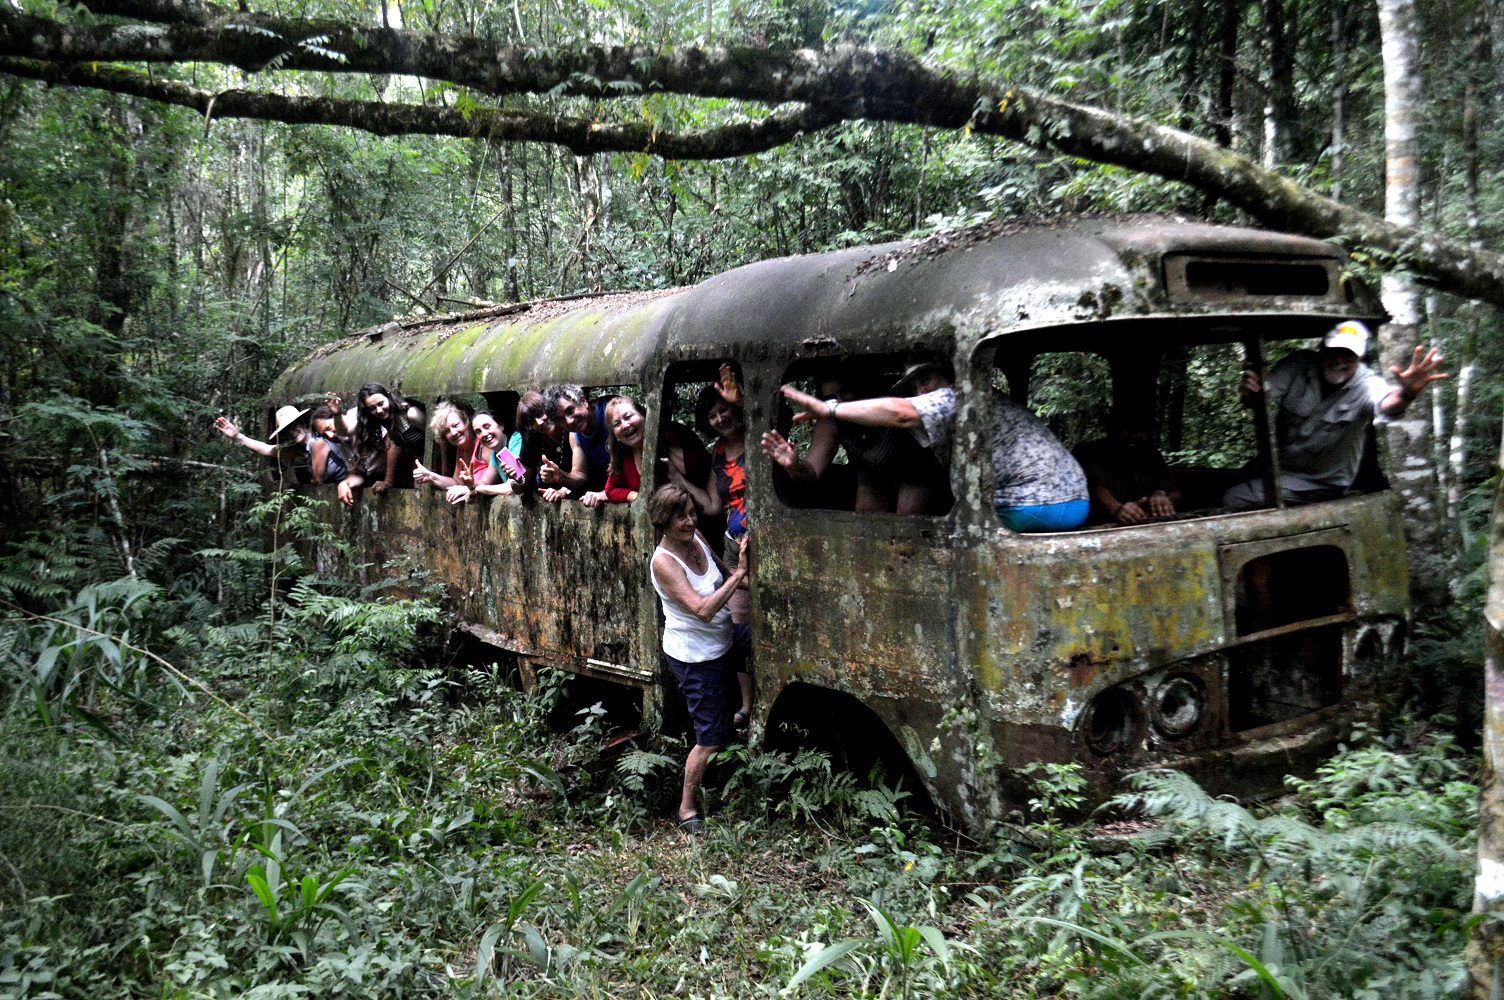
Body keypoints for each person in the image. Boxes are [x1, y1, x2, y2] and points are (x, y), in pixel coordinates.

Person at [779, 356, 1090, 532]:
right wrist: (795, 464)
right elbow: (815, 472)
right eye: (914, 385)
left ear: (948, 375)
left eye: (926, 379)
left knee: (946, 535)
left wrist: (828, 409)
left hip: (1043, 503)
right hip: (1057, 499)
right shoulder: (955, 403)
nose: (920, 389)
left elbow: (901, 414)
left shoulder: (955, 397)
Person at [1222, 321, 1448, 510]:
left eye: (1349, 355)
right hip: (1280, 468)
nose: (1340, 360)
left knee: (1234, 498)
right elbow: (1261, 396)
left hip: (1320, 482)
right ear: (1322, 350)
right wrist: (1251, 392)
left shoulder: (1366, 384)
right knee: (1222, 483)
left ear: (1359, 359)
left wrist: (1407, 393)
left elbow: (1387, 403)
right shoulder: (1297, 366)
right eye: (1334, 351)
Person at [647, 484, 749, 833]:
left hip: (723, 639)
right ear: (663, 521)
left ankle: (745, 710)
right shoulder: (664, 562)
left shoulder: (697, 539)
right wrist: (738, 577)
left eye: (692, 513)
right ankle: (687, 807)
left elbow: (729, 577)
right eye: (680, 516)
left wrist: (747, 570)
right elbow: (703, 609)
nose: (690, 521)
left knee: (761, 648)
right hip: (695, 656)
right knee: (710, 739)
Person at [669, 365, 755, 725]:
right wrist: (678, 480)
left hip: (768, 538)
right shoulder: (719, 452)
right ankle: (749, 704)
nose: (720, 418)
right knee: (738, 624)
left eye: (724, 409)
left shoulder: (757, 437)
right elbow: (712, 505)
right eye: (713, 414)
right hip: (735, 541)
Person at [1074, 412, 1180, 525]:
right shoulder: (1089, 452)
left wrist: (1161, 496)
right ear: (1112, 429)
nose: (1134, 435)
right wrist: (1117, 509)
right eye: (1127, 428)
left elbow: (1174, 491)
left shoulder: (1151, 454)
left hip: (1144, 523)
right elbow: (1095, 485)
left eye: (1140, 429)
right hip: (1099, 524)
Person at [415, 400, 503, 504]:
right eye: (447, 431)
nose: (453, 432)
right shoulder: (461, 450)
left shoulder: (484, 445)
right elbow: (456, 483)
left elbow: (491, 481)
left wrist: (468, 489)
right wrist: (431, 477)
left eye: (456, 425)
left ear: (467, 422)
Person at [345, 383, 425, 494]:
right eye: (372, 408)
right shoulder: (386, 420)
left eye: (381, 404)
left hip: (435, 464)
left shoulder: (410, 414)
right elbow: (347, 431)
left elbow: (438, 438)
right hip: (420, 466)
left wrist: (445, 471)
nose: (379, 410)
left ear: (388, 396)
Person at [540, 383, 610, 494]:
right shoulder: (575, 435)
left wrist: (607, 493)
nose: (569, 421)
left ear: (583, 401)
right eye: (560, 419)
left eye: (570, 410)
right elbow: (581, 475)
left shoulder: (609, 412)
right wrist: (560, 476)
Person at [449, 409, 527, 502]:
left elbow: (510, 488)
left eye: (487, 427)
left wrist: (478, 489)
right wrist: (471, 485)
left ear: (501, 426)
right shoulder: (495, 453)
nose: (484, 434)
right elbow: (485, 481)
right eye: (478, 431)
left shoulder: (515, 440)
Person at [581, 397, 647, 506]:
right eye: (617, 424)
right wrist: (637, 497)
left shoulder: (671, 440)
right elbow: (610, 490)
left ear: (643, 415)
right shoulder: (624, 455)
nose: (625, 426)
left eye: (628, 417)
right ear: (614, 434)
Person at [517, 390, 575, 502]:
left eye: (540, 414)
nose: (539, 422)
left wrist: (563, 489)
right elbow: (523, 483)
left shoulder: (571, 427)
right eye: (532, 421)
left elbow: (584, 475)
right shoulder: (533, 437)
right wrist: (515, 476)